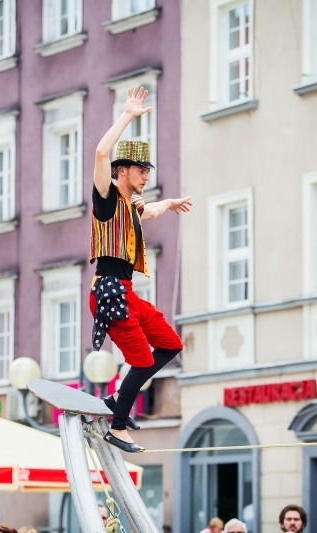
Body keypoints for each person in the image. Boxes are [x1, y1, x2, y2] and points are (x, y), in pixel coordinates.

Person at [89, 85, 192, 453]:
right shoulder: (105, 198)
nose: (146, 177)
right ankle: (117, 427)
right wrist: (128, 115)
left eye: (147, 172)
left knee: (170, 344)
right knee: (142, 359)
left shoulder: (131, 208)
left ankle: (118, 400)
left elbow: (148, 212)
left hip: (127, 291)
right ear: (122, 172)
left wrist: (169, 202)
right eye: (140, 171)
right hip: (109, 290)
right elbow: (102, 152)